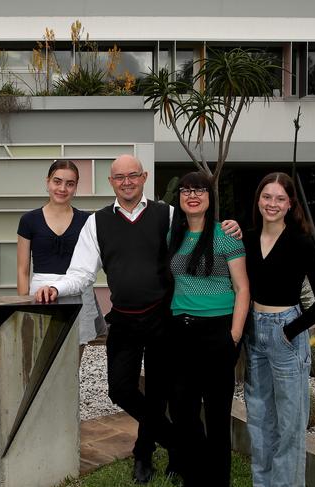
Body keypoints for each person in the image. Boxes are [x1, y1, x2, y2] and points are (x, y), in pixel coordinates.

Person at [35, 154, 241, 484]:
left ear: (144, 177)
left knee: (161, 392)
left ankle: (144, 454)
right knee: (120, 389)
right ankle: (178, 444)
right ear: (111, 182)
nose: (127, 181)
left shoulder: (168, 214)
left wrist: (231, 226)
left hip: (164, 319)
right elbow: (81, 272)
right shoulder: (97, 222)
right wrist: (55, 287)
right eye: (120, 177)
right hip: (125, 321)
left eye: (133, 175)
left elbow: (202, 229)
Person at [243, 172, 315, 487]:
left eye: (280, 198)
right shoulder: (248, 239)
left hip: (286, 336)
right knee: (259, 420)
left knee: (290, 425)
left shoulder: (301, 242)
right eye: (267, 197)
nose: (272, 203)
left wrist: (290, 330)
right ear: (258, 200)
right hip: (254, 334)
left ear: (290, 203)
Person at [167, 172, 249, 487]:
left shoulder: (226, 235)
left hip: (219, 333)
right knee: (185, 416)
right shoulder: (172, 237)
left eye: (200, 189)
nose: (193, 195)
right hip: (181, 333)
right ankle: (194, 478)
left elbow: (243, 288)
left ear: (209, 197)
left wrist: (235, 335)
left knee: (216, 418)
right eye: (186, 190)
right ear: (180, 198)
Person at [17, 160, 106, 358]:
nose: (62, 188)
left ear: (76, 187)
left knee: (74, 358)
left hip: (78, 295)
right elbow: (22, 269)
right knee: (40, 359)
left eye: (70, 183)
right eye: (57, 181)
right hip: (40, 296)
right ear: (47, 182)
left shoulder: (87, 220)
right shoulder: (29, 220)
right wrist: (23, 305)